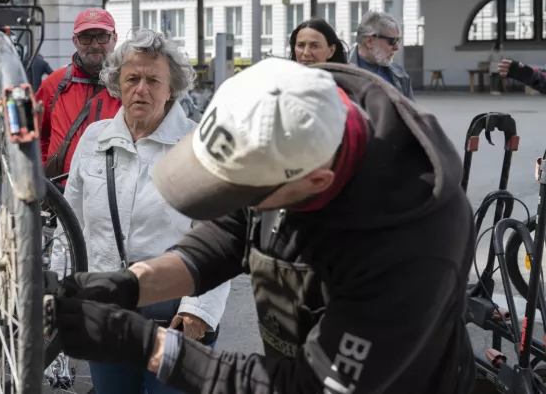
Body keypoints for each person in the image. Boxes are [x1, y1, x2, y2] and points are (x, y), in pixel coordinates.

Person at [55, 58, 475, 394]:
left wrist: (146, 345)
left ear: (316, 184)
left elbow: (310, 385)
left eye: (242, 194)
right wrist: (128, 285)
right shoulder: (289, 112)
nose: (239, 205)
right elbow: (226, 236)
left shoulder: (412, 248)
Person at [62, 29, 229, 394]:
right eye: (132, 78)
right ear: (117, 84)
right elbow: (69, 225)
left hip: (174, 320)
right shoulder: (94, 138)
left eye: (154, 80)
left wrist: (198, 310)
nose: (142, 89)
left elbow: (221, 236)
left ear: (173, 89)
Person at [37, 8, 122, 179]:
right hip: (60, 194)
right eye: (86, 37)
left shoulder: (129, 83)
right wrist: (44, 172)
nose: (95, 44)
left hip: (114, 194)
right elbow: (36, 134)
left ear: (114, 38)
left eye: (102, 36)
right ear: (75, 41)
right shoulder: (55, 83)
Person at [348, 11, 413, 99]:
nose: (397, 47)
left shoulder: (400, 74)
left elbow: (409, 111)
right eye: (392, 41)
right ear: (369, 41)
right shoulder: (339, 70)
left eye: (398, 40)